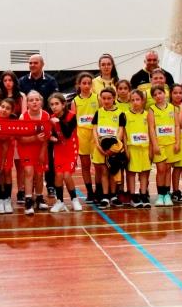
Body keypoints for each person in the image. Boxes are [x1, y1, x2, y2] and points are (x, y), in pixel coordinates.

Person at [91, 87, 126, 208]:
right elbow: (94, 130)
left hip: (113, 148)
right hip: (100, 148)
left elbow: (120, 131)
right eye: (104, 98)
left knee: (113, 171)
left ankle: (113, 195)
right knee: (104, 172)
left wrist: (113, 148)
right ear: (100, 99)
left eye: (109, 98)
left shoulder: (120, 113)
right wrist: (98, 145)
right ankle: (105, 196)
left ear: (114, 98)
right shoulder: (98, 112)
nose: (106, 101)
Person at [47, 93, 81, 212]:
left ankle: (74, 199)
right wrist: (51, 137)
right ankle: (60, 201)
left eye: (57, 104)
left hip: (71, 148)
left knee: (67, 175)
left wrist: (59, 122)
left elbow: (67, 133)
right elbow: (51, 134)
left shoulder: (72, 116)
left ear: (63, 104)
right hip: (59, 150)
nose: (54, 107)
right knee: (58, 175)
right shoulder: (51, 118)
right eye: (52, 104)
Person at [18, 90, 51, 215]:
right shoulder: (23, 117)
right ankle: (28, 199)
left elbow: (46, 137)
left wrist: (43, 152)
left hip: (41, 148)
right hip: (26, 147)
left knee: (39, 173)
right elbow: (20, 139)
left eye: (37, 99)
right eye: (31, 100)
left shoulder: (46, 116)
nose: (34, 102)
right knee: (28, 172)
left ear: (41, 102)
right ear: (27, 104)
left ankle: (39, 197)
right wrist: (35, 138)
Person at [124, 89, 156, 208]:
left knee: (144, 173)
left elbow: (152, 132)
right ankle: (133, 196)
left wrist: (152, 149)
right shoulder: (126, 115)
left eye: (137, 99)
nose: (135, 102)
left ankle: (143, 194)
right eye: (132, 100)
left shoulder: (148, 114)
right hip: (132, 149)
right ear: (129, 102)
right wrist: (126, 150)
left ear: (143, 101)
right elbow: (124, 135)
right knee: (131, 173)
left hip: (145, 148)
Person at [149, 83, 178, 207]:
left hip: (171, 143)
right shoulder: (151, 109)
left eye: (160, 93)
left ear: (164, 93)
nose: (158, 96)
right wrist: (155, 144)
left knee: (168, 169)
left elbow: (177, 125)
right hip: (159, 144)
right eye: (155, 95)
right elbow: (151, 128)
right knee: (160, 170)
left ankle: (167, 194)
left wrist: (178, 142)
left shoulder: (173, 108)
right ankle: (160, 195)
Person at [72, 72, 99, 203]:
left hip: (95, 134)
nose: (87, 85)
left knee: (99, 164)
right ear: (79, 85)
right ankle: (90, 192)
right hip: (81, 134)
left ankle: (99, 191)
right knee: (85, 165)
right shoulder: (75, 101)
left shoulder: (97, 98)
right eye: (84, 83)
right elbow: (73, 122)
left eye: (89, 83)